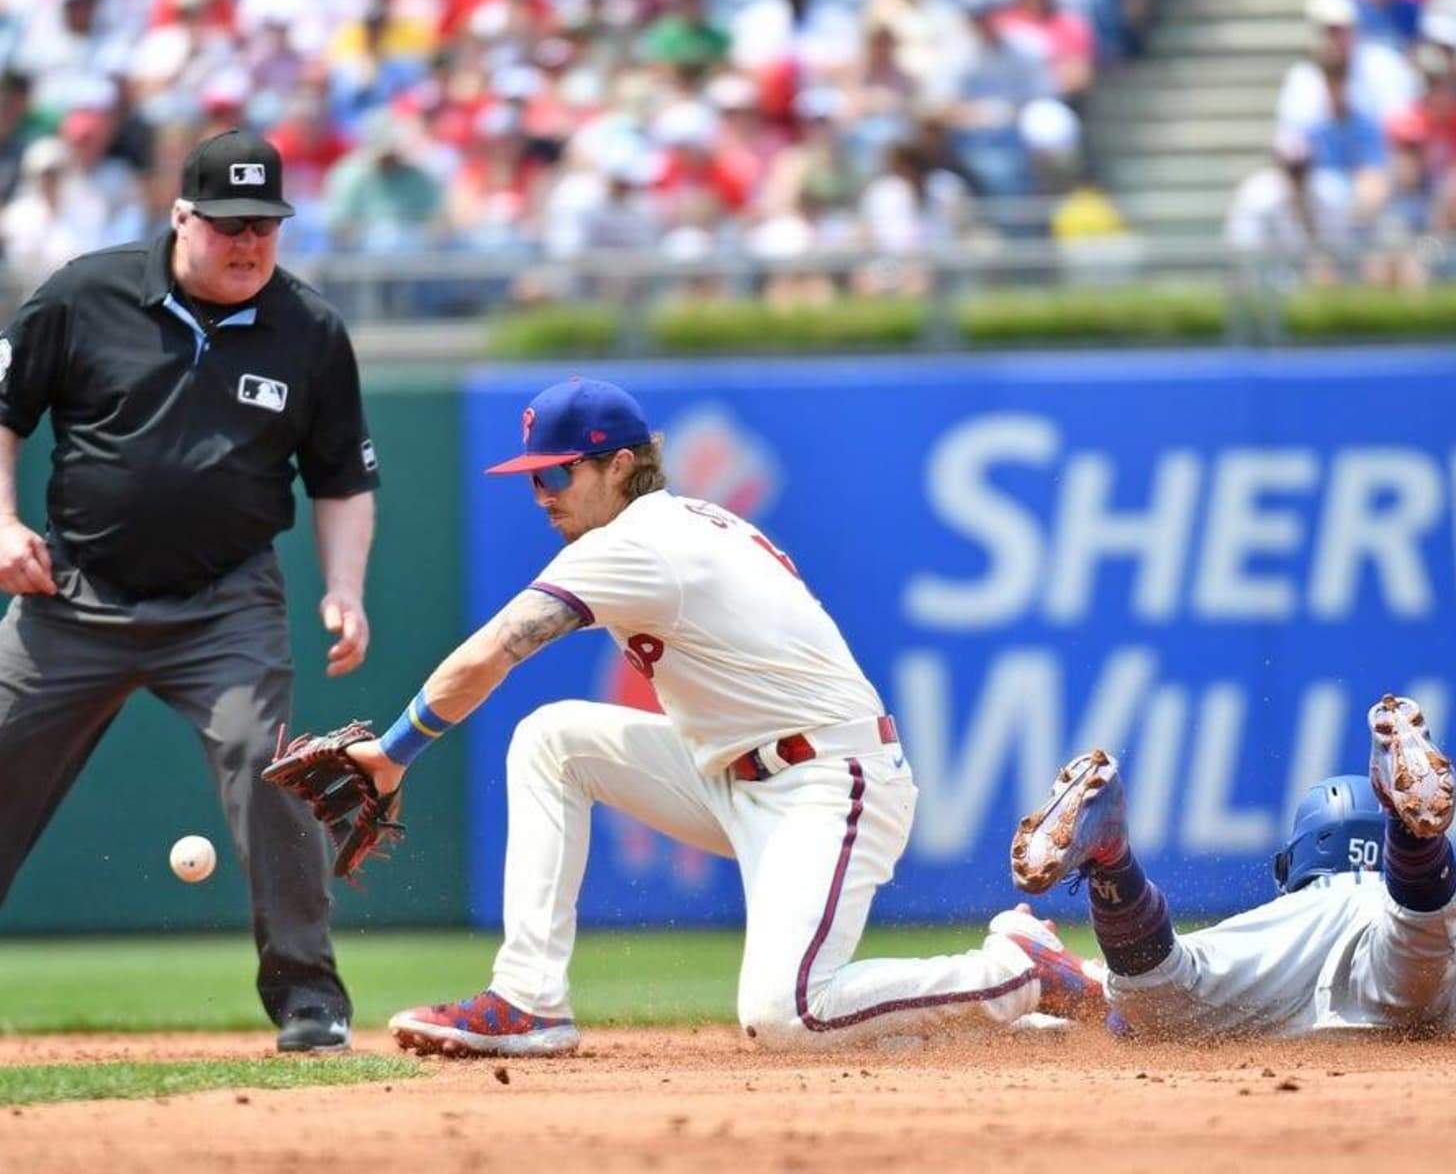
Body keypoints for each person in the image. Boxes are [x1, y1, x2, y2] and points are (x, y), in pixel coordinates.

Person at [336, 375, 1101, 1057]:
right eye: (534, 479)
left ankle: (1015, 971)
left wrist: (393, 753)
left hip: (829, 782)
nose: (544, 496)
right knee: (553, 739)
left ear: (622, 466)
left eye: (560, 474)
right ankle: (530, 999)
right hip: (735, 775)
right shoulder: (678, 521)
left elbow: (487, 657)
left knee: (787, 1016)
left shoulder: (637, 543)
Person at [0, 130, 381, 1052]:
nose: (248, 243)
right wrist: (3, 525)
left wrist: (345, 587)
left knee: (272, 770)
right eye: (227, 224)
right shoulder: (85, 294)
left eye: (264, 225)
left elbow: (341, 480)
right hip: (74, 596)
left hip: (225, 604)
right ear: (181, 217)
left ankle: (309, 999)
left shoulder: (311, 331)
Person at [1011, 694, 1456, 1038]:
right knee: (1420, 946)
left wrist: (1099, 1000)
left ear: (1294, 860)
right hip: (1421, 946)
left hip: (1290, 955)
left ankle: (1113, 859)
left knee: (1160, 992)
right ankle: (1415, 845)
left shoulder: (1280, 916)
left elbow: (1128, 1020)